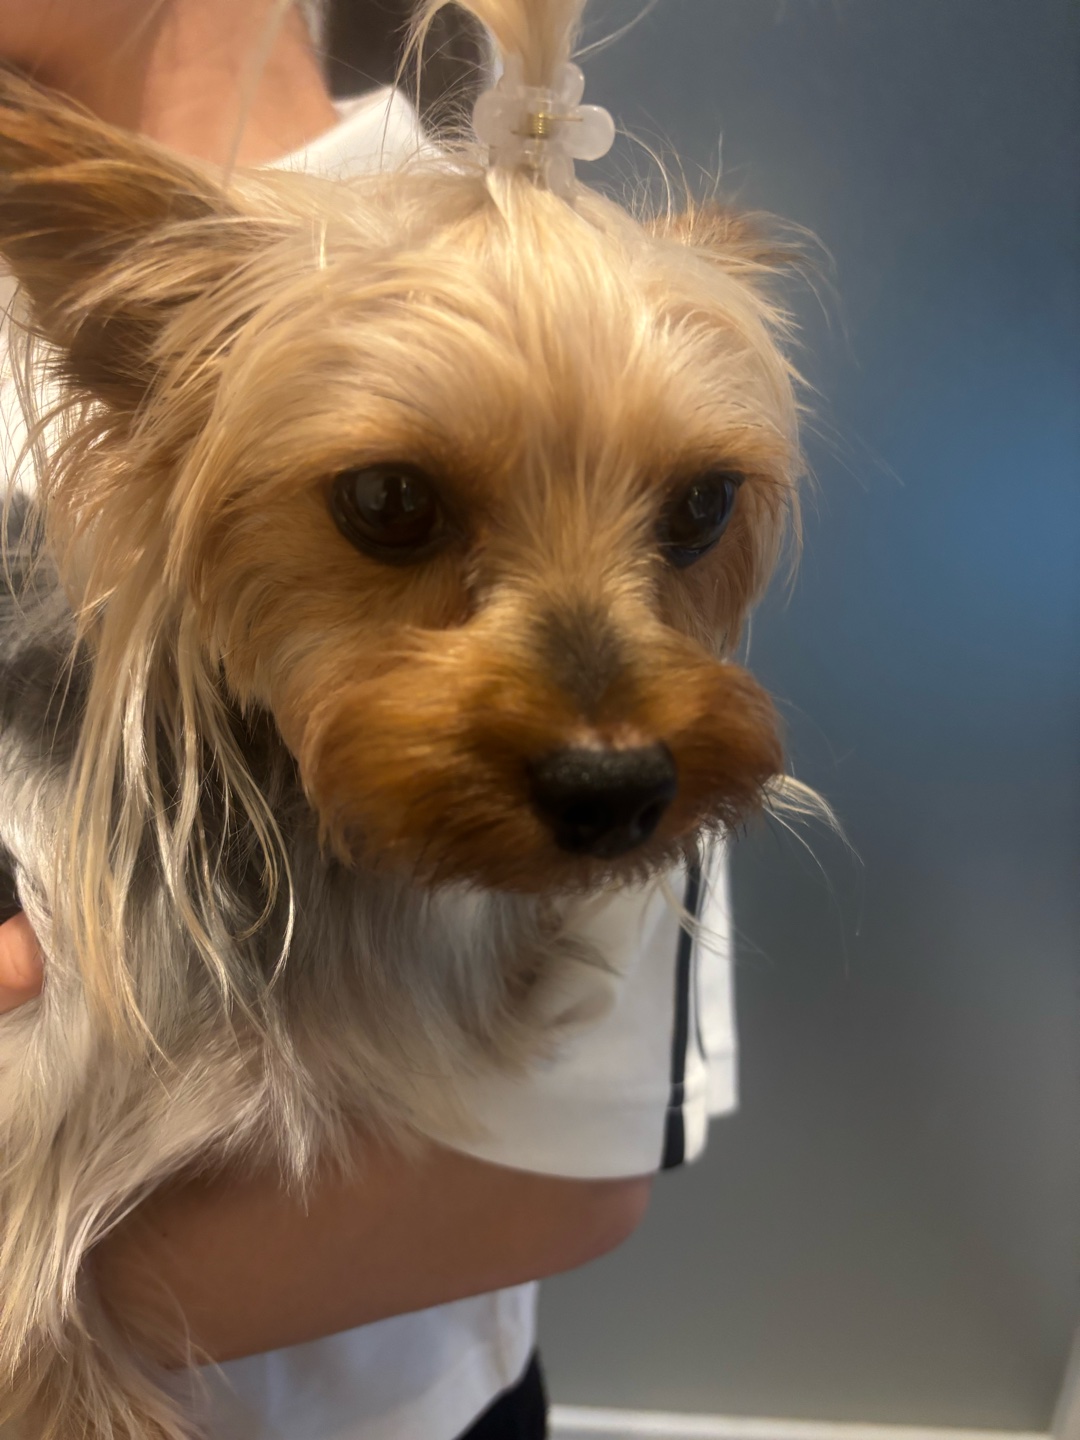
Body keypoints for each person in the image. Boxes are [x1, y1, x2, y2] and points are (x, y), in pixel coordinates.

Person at [0, 2, 737, 1436]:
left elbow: (568, 1176)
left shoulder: (527, 246)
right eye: (400, 509)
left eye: (693, 513)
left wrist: (41, 1307)